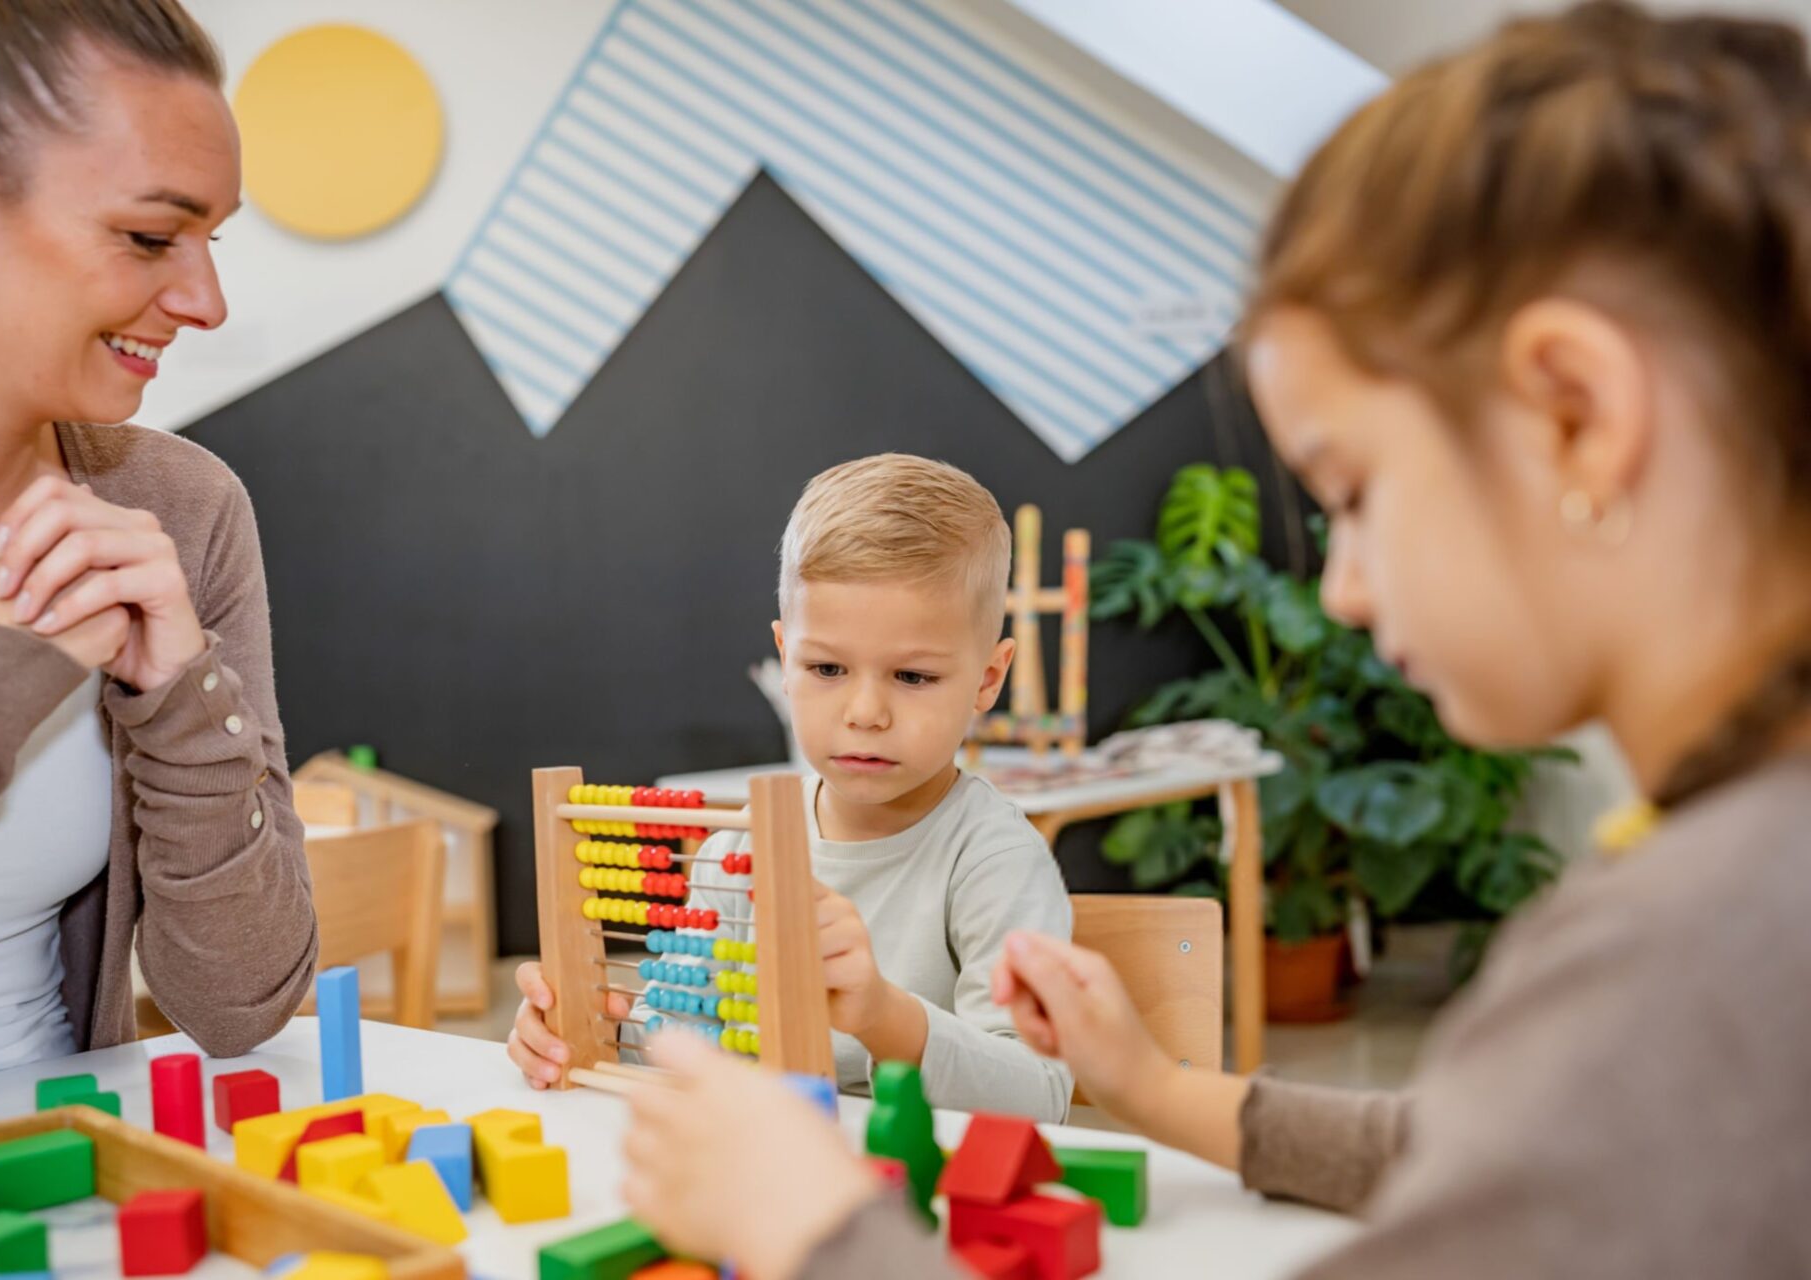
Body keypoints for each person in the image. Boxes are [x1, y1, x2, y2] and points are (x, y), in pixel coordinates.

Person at [615, 5, 1811, 1276]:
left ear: (1576, 414)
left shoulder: (1715, 934)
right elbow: (1500, 1151)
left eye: (1353, 492)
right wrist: (1151, 1082)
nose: (1342, 587)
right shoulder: (1734, 862)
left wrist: (816, 1234)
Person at [0, 0, 316, 1093]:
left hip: (61, 1190)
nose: (206, 300)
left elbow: (241, 1000)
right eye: (148, 235)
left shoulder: (176, 504)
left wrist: (178, 696)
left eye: (211, 239)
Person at [512, 455, 1074, 1119]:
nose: (866, 712)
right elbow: (671, 1048)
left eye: (913, 677)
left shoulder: (992, 860)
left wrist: (882, 1016)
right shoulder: (736, 850)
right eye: (828, 667)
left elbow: (1040, 1098)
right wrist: (584, 1027)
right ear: (785, 658)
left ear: (988, 677)